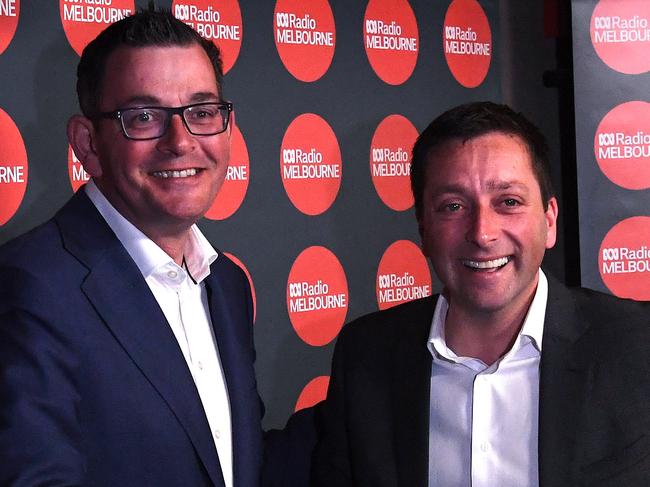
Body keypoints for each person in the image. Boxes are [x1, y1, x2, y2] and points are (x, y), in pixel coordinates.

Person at [312, 102, 650, 487]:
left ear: (549, 220)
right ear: (423, 230)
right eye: (453, 206)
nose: (482, 233)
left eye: (508, 202)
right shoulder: (366, 356)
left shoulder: (635, 346)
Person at [0, 8, 262, 487]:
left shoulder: (227, 285)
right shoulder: (28, 287)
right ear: (88, 143)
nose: (181, 142)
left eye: (202, 112)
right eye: (144, 117)